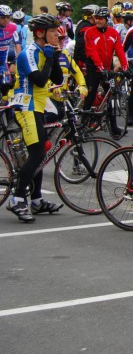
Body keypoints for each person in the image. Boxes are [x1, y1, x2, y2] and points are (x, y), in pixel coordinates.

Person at [7, 14, 64, 222]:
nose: (57, 35)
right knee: (38, 152)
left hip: (39, 106)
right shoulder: (29, 53)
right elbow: (39, 81)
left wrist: (54, 57)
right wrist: (49, 58)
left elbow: (57, 78)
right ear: (40, 33)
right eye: (52, 32)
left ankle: (37, 199)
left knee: (40, 152)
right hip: (26, 105)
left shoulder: (46, 51)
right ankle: (18, 198)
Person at [79, 7, 128, 134]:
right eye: (96, 18)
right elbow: (92, 51)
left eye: (100, 19)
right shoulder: (89, 32)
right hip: (93, 68)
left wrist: (126, 67)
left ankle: (114, 127)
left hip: (108, 68)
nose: (97, 21)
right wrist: (100, 68)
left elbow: (119, 50)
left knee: (111, 97)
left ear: (106, 19)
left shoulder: (113, 33)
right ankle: (83, 125)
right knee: (90, 96)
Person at [0, 5, 21, 93]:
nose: (6, 20)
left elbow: (18, 45)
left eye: (8, 17)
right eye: (3, 17)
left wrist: (17, 61)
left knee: (7, 84)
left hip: (3, 60)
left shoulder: (13, 27)